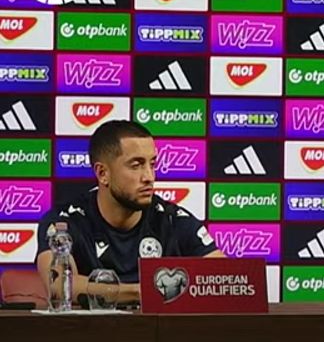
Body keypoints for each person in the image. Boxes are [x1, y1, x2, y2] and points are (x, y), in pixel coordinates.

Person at [35, 120, 223, 305]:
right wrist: (142, 292)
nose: (149, 177)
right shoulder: (64, 222)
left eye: (152, 164)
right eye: (136, 165)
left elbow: (224, 279)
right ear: (102, 174)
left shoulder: (173, 220)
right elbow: (59, 286)